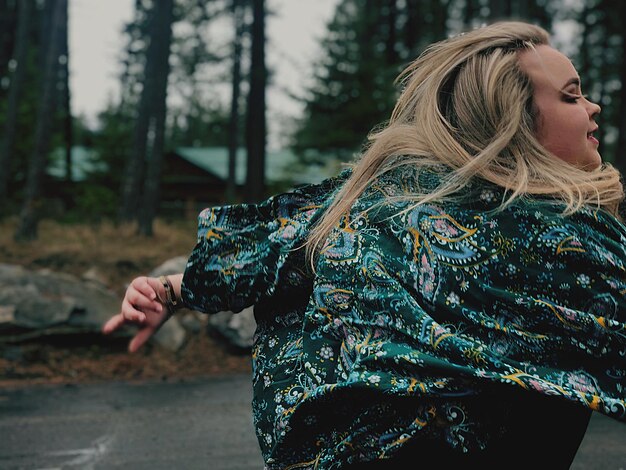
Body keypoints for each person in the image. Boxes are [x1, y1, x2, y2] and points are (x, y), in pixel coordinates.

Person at [103, 21, 626, 469]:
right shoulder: (395, 205)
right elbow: (283, 245)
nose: (593, 106)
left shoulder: (578, 234)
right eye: (571, 95)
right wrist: (167, 292)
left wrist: (171, 291)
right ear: (512, 117)